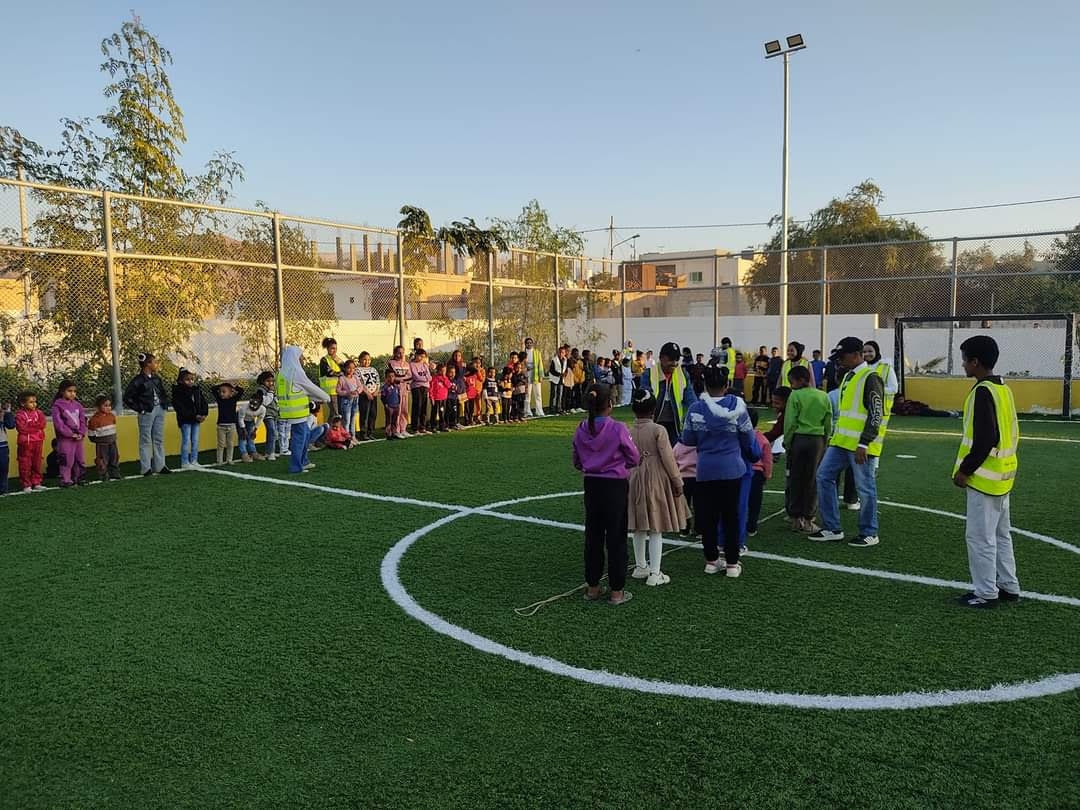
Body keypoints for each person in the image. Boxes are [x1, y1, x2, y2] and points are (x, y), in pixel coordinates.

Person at [952, 335, 1021, 609]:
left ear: (975, 362)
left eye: (964, 360)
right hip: (1003, 476)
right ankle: (1009, 585)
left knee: (980, 537)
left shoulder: (982, 391)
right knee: (1002, 535)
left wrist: (964, 470)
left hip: (984, 478)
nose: (963, 365)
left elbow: (986, 438)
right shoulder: (1003, 388)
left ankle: (985, 592)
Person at [680, 365, 760, 578]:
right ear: (726, 385)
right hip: (732, 469)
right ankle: (732, 563)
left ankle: (711, 561)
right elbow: (748, 438)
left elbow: (687, 439)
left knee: (707, 516)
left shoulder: (696, 409)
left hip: (705, 469)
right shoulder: (738, 407)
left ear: (705, 385)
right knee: (731, 516)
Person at [811, 337, 886, 548]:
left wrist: (864, 443)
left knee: (865, 487)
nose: (839, 361)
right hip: (841, 441)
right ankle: (832, 528)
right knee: (824, 476)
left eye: (842, 356)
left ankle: (869, 532)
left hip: (860, 445)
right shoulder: (848, 376)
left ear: (856, 355)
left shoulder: (871, 377)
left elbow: (876, 413)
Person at [572, 383, 641, 605]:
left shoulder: (581, 428)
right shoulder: (618, 428)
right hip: (615, 486)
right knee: (616, 538)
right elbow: (634, 457)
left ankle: (592, 587)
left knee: (593, 536)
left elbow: (576, 461)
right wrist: (618, 464)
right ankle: (617, 591)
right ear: (610, 404)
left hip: (592, 485)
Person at [627, 388, 687, 587]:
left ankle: (640, 566)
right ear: (653, 410)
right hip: (655, 478)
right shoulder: (658, 430)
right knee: (656, 526)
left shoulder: (628, 430)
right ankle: (655, 572)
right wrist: (677, 481)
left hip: (634, 476)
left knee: (639, 524)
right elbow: (668, 458)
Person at [783, 365, 832, 533]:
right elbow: (828, 420)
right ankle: (809, 518)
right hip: (817, 440)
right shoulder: (823, 396)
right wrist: (826, 438)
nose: (791, 386)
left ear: (801, 380)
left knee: (795, 478)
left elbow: (790, 421)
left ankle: (796, 518)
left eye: (792, 382)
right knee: (812, 479)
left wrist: (788, 441)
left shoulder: (795, 396)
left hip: (799, 439)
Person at [277, 345, 330, 473]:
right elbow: (310, 387)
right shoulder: (296, 373)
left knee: (305, 435)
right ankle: (296, 466)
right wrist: (325, 397)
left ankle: (303, 461)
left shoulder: (282, 373)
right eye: (301, 357)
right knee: (300, 439)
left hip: (291, 411)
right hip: (298, 412)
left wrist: (318, 398)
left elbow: (302, 391)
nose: (302, 359)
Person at [641, 342, 699, 447]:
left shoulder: (683, 374)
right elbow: (643, 400)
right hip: (654, 423)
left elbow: (691, 399)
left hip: (675, 425)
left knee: (674, 453)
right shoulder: (649, 374)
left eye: (677, 359)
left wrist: (698, 413)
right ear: (661, 358)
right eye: (671, 359)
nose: (675, 363)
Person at [122, 352, 171, 477]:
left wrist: (164, 405)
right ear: (148, 364)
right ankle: (146, 468)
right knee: (145, 439)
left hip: (159, 409)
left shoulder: (156, 378)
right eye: (154, 362)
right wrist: (140, 409)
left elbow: (162, 393)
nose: (156, 364)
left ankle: (160, 465)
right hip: (147, 411)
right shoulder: (137, 380)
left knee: (158, 438)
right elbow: (127, 397)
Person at [51, 379, 87, 488]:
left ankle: (79, 477)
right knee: (67, 459)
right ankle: (65, 479)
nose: (72, 394)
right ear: (62, 391)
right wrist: (70, 434)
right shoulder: (57, 406)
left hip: (78, 438)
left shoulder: (78, 405)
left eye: (74, 391)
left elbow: (82, 420)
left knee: (80, 458)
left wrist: (81, 433)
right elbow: (59, 424)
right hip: (66, 439)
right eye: (69, 391)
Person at [173, 368, 209, 469]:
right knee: (186, 440)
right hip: (185, 420)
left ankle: (194, 460)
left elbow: (203, 402)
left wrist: (204, 414)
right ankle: (185, 462)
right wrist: (193, 415)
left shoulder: (196, 390)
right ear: (181, 380)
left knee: (195, 440)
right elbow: (180, 407)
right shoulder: (178, 391)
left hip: (196, 420)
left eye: (192, 379)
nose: (190, 381)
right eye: (187, 379)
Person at [863, 340, 899, 438]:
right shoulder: (861, 368)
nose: (867, 354)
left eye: (870, 351)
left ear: (877, 351)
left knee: (875, 439)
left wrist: (875, 391)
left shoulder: (886, 368)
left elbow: (894, 388)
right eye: (864, 352)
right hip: (863, 408)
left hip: (880, 410)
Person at [745, 410, 773, 537]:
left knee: (738, 500)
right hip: (757, 474)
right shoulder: (762, 439)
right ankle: (752, 527)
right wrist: (767, 475)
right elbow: (767, 460)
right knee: (755, 502)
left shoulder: (737, 437)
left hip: (742, 472)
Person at [15, 391, 47, 493]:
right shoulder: (20, 415)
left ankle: (36, 482)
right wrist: (36, 427)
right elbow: (22, 429)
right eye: (31, 402)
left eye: (35, 402)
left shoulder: (39, 413)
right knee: (25, 463)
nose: (34, 404)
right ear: (22, 403)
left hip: (38, 441)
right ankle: (26, 484)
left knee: (37, 462)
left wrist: (31, 426)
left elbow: (43, 424)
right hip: (26, 443)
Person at [211, 381, 242, 465]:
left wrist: (233, 386)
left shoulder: (233, 399)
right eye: (220, 392)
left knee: (230, 444)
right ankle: (219, 461)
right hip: (221, 426)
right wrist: (222, 384)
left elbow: (241, 391)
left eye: (224, 392)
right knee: (221, 444)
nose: (221, 394)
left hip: (231, 425)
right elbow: (213, 389)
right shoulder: (219, 400)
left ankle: (229, 459)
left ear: (230, 392)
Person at [673, 441, 697, 537]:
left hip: (683, 477)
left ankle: (685, 528)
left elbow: (673, 461)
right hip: (697, 477)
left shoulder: (678, 446)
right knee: (698, 505)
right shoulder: (699, 443)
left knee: (684, 505)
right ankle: (699, 529)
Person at [388, 345, 412, 440]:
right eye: (399, 353)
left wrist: (402, 379)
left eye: (402, 353)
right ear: (394, 353)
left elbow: (410, 376)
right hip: (395, 389)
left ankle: (403, 429)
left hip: (405, 389)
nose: (401, 355)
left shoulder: (406, 364)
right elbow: (392, 377)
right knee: (397, 410)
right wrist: (401, 379)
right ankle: (396, 430)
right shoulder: (391, 363)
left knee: (404, 409)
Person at [256, 372, 281, 460]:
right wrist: (270, 392)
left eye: (272, 381)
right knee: (272, 431)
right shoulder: (260, 390)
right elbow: (265, 402)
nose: (270, 383)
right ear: (262, 381)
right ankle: (271, 453)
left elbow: (275, 400)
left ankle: (269, 451)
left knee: (273, 433)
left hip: (274, 413)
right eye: (268, 381)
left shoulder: (271, 390)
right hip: (267, 414)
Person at [336, 358, 361, 440]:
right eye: (349, 368)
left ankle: (353, 436)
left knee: (353, 419)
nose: (351, 370)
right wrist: (347, 393)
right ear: (345, 368)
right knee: (346, 420)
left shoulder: (355, 377)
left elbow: (360, 386)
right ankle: (346, 437)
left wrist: (357, 391)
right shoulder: (342, 378)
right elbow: (338, 390)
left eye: (353, 368)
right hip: (346, 401)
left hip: (355, 401)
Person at [318, 337, 342, 423]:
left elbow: (346, 369)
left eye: (335, 348)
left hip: (338, 390)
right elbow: (329, 373)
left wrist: (339, 362)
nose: (334, 351)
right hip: (330, 391)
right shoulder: (324, 360)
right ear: (327, 348)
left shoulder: (337, 359)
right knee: (336, 413)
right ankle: (333, 429)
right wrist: (340, 373)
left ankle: (328, 429)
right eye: (332, 348)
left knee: (333, 413)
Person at [408, 348, 432, 434]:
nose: (422, 358)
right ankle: (415, 427)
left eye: (423, 357)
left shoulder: (424, 365)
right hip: (416, 387)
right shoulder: (412, 364)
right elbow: (415, 376)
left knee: (423, 407)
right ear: (416, 355)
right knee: (417, 406)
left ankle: (422, 426)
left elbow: (430, 377)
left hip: (425, 387)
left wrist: (425, 379)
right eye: (420, 356)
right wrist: (425, 379)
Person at [240, 391, 267, 461]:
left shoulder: (263, 409)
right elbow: (240, 419)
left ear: (260, 404)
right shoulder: (243, 408)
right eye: (251, 403)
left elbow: (259, 420)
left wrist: (255, 430)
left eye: (255, 404)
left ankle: (253, 452)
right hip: (242, 420)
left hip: (251, 421)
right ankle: (244, 454)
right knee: (243, 437)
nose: (252, 406)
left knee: (251, 437)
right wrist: (243, 429)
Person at [522, 337, 545, 418]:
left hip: (536, 375)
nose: (529, 344)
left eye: (530, 343)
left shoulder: (537, 352)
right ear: (525, 344)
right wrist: (525, 368)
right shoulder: (523, 353)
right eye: (527, 343)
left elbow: (540, 364)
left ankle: (539, 411)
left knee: (538, 394)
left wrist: (541, 375)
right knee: (527, 394)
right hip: (527, 375)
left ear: (532, 344)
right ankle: (527, 411)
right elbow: (521, 364)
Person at [380, 369, 402, 440]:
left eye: (392, 376)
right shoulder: (385, 387)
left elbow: (398, 395)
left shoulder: (396, 386)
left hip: (396, 405)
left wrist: (398, 403)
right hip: (389, 406)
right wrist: (385, 404)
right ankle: (388, 434)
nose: (391, 378)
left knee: (394, 420)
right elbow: (382, 397)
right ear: (386, 377)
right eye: (389, 376)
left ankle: (394, 432)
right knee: (389, 420)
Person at [429, 363, 451, 433]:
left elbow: (449, 386)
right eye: (442, 370)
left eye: (445, 371)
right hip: (436, 399)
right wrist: (431, 397)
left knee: (442, 413)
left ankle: (442, 426)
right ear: (438, 370)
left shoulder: (446, 378)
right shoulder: (434, 378)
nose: (443, 372)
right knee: (434, 412)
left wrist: (444, 379)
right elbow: (431, 389)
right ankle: (433, 426)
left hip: (443, 398)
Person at [0, 400, 14, 495]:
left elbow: (11, 425)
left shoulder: (2, 414)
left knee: (3, 467)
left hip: (2, 445)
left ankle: (3, 489)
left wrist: (8, 412)